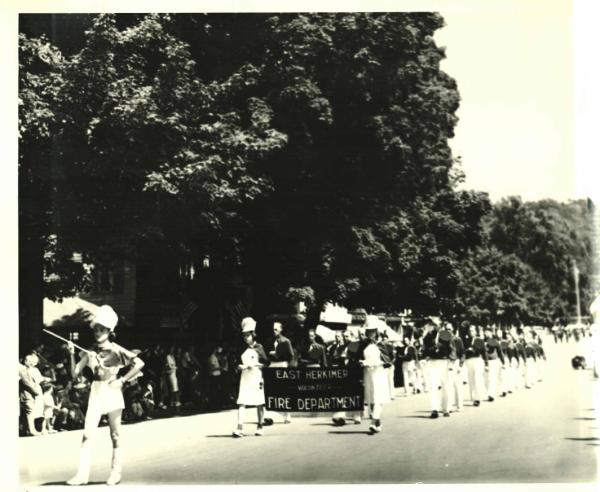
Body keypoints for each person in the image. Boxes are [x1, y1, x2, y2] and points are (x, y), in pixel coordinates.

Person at [66, 305, 144, 486]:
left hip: (112, 391)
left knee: (115, 434)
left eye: (102, 329)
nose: (98, 332)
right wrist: (71, 354)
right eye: (96, 329)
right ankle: (82, 475)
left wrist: (122, 380)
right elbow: (74, 373)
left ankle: (116, 473)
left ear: (110, 331)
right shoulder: (89, 350)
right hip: (96, 391)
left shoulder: (116, 350)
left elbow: (139, 363)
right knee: (87, 434)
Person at [232, 317, 269, 437]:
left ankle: (260, 426)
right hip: (245, 377)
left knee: (259, 402)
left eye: (247, 336)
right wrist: (239, 367)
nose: (245, 338)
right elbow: (236, 363)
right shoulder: (241, 348)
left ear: (253, 335)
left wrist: (259, 365)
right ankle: (240, 427)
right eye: (244, 336)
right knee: (242, 401)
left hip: (257, 377)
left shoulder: (260, 347)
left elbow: (266, 363)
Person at [360, 325, 392, 433]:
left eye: (372, 331)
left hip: (378, 372)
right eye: (368, 332)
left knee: (378, 397)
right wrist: (362, 362)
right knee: (371, 398)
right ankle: (378, 422)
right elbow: (357, 357)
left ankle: (373, 422)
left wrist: (375, 363)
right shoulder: (364, 345)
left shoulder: (380, 345)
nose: (370, 334)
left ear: (376, 332)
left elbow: (387, 361)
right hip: (367, 373)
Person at [423, 322, 455, 418]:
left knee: (446, 387)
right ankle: (434, 409)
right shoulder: (427, 337)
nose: (429, 327)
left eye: (431, 325)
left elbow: (451, 349)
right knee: (433, 386)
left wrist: (451, 361)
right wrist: (433, 349)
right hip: (433, 362)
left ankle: (446, 409)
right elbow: (425, 350)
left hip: (444, 362)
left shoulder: (445, 334)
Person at [265, 322, 294, 424]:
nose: (274, 331)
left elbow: (291, 355)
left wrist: (278, 354)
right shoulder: (270, 340)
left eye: (276, 329)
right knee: (271, 390)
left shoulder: (286, 341)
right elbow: (266, 354)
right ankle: (269, 415)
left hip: (282, 364)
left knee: (284, 390)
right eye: (273, 329)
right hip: (272, 364)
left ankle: (287, 414)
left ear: (281, 329)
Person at [19, 355, 44, 436]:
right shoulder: (23, 369)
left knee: (29, 412)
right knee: (30, 412)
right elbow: (27, 383)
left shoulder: (26, 369)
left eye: (31, 361)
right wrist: (35, 391)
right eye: (28, 361)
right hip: (27, 394)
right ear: (25, 361)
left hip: (29, 394)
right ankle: (31, 430)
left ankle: (27, 430)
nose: (30, 363)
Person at [483, 326, 505, 402]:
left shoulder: (494, 341)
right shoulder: (483, 341)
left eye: (487, 332)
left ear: (491, 333)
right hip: (484, 361)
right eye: (485, 332)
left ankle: (491, 394)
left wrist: (503, 362)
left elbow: (500, 352)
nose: (485, 333)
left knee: (492, 378)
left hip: (493, 361)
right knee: (485, 379)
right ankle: (488, 393)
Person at [449, 324, 465, 413]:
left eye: (449, 329)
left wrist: (460, 365)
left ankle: (459, 405)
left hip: (455, 363)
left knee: (457, 385)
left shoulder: (457, 339)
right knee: (449, 385)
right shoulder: (443, 340)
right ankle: (449, 406)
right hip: (447, 363)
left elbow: (462, 353)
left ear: (453, 330)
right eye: (446, 329)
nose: (448, 331)